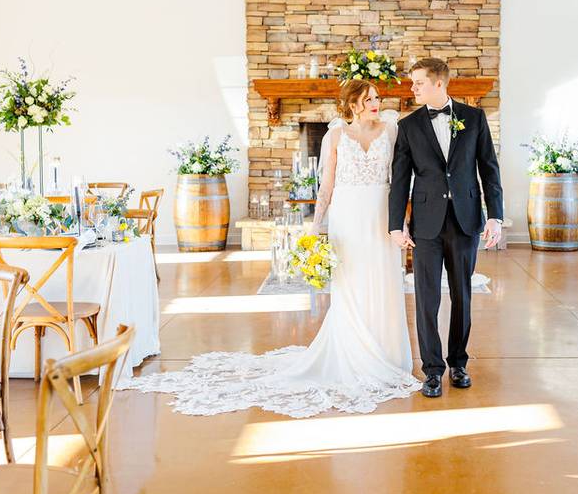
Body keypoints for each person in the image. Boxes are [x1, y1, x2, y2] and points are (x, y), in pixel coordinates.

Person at [125, 79, 419, 418]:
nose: (375, 103)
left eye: (377, 98)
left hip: (381, 214)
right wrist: (314, 226)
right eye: (369, 99)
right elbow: (326, 188)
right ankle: (354, 355)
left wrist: (403, 220)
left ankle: (387, 354)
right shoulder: (336, 135)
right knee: (351, 283)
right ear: (352, 105)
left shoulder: (391, 129)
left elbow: (402, 179)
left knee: (383, 282)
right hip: (348, 217)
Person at [388, 58, 504, 398]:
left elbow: (490, 170)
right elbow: (400, 179)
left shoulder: (474, 118)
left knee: (462, 295)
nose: (413, 89)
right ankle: (432, 370)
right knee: (426, 297)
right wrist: (397, 225)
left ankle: (458, 362)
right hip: (425, 223)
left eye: (418, 83)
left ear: (439, 83)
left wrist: (494, 215)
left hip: (465, 219)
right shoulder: (408, 126)